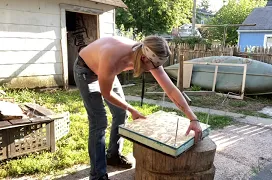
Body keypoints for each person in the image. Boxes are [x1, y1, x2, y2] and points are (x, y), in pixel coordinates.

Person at [73, 35, 203, 180]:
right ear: (144, 59)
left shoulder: (147, 55)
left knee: (121, 113)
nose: (154, 70)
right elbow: (107, 93)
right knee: (99, 121)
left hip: (106, 70)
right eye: (153, 67)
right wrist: (132, 109)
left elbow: (171, 90)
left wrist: (193, 118)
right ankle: (98, 175)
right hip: (86, 70)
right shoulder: (112, 57)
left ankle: (113, 155)